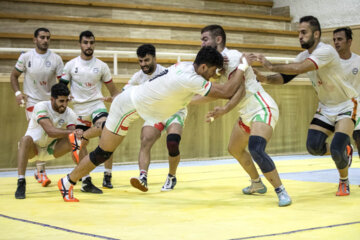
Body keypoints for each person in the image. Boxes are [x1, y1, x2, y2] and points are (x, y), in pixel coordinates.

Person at [57, 46, 254, 202]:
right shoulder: (190, 78)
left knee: (104, 147)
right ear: (203, 67)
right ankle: (68, 180)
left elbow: (208, 91)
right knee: (102, 153)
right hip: (127, 108)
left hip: (132, 105)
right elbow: (228, 90)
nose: (212, 75)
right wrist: (243, 66)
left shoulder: (186, 66)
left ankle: (75, 154)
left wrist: (220, 68)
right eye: (211, 71)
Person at [255, 16, 356, 196]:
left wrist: (270, 66)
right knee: (313, 147)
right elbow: (286, 77)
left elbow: (300, 68)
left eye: (304, 32)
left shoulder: (326, 51)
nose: (300, 37)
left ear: (316, 34)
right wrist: (266, 79)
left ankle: (343, 180)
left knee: (335, 148)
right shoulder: (302, 55)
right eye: (298, 33)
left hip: (345, 105)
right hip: (325, 107)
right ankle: (344, 150)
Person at [196, 24, 291, 207]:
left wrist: (224, 110)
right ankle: (257, 183)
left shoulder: (232, 58)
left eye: (205, 39)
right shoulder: (217, 63)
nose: (201, 43)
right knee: (234, 149)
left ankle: (281, 190)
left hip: (261, 107)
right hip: (245, 112)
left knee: (256, 148)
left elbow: (239, 90)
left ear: (218, 39)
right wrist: (186, 101)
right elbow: (218, 92)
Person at [60, 30, 120, 193]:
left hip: (97, 106)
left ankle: (107, 175)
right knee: (79, 147)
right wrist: (66, 96)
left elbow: (114, 91)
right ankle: (86, 181)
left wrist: (113, 98)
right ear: (80, 44)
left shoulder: (101, 66)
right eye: (85, 42)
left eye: (91, 42)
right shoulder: (71, 65)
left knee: (108, 131)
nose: (88, 45)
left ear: (94, 44)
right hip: (78, 109)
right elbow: (60, 89)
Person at [124, 44, 187, 192]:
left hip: (174, 111)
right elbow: (123, 94)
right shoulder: (137, 77)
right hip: (156, 114)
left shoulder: (166, 72)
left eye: (146, 60)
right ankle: (143, 178)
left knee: (172, 142)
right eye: (140, 61)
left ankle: (171, 176)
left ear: (155, 58)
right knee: (145, 140)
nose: (143, 64)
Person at [10, 27, 64, 188]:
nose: (45, 40)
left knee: (46, 135)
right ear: (35, 39)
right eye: (42, 37)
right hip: (32, 102)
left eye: (48, 37)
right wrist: (18, 93)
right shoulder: (26, 57)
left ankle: (38, 168)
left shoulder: (56, 59)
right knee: (40, 132)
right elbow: (14, 75)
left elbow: (62, 82)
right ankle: (40, 170)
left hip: (50, 102)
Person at [15, 83, 82, 199]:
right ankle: (21, 182)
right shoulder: (41, 107)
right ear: (52, 99)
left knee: (79, 138)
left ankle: (83, 178)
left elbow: (72, 134)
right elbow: (50, 131)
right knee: (25, 140)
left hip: (51, 150)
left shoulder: (70, 113)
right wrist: (72, 133)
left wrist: (78, 136)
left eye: (67, 101)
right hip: (33, 150)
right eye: (61, 101)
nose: (64, 105)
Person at [333, 27, 360, 158]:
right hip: (338, 109)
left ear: (349, 42)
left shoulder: (358, 61)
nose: (336, 42)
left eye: (339, 39)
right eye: (334, 40)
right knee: (338, 148)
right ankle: (346, 149)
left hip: (357, 107)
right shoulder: (330, 64)